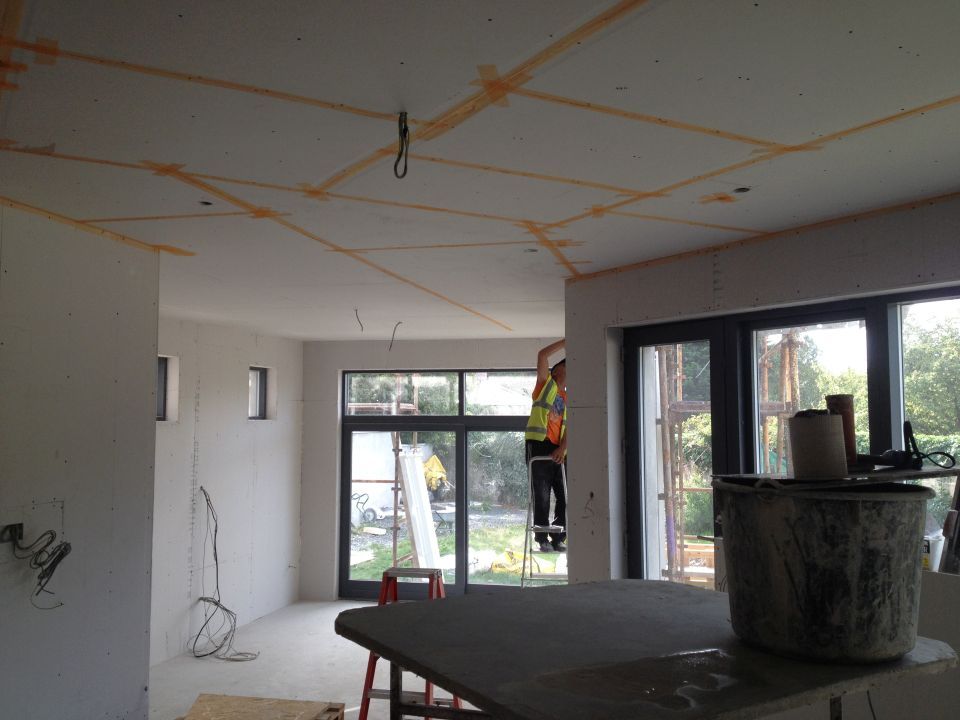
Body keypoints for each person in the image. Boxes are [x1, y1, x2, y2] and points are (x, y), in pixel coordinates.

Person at [525, 339, 567, 553]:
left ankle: (559, 538)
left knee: (565, 495)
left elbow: (570, 427)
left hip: (559, 449)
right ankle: (542, 538)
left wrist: (563, 448)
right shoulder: (545, 385)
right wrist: (567, 341)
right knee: (541, 494)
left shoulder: (569, 398)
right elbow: (542, 355)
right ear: (557, 370)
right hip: (539, 445)